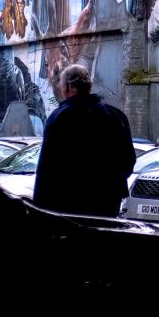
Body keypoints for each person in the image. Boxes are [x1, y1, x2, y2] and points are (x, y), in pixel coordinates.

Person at [34, 64, 136, 216]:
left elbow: (47, 168)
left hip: (69, 203)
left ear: (67, 88)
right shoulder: (116, 116)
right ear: (89, 86)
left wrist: (40, 207)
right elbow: (128, 160)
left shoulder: (60, 118)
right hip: (107, 202)